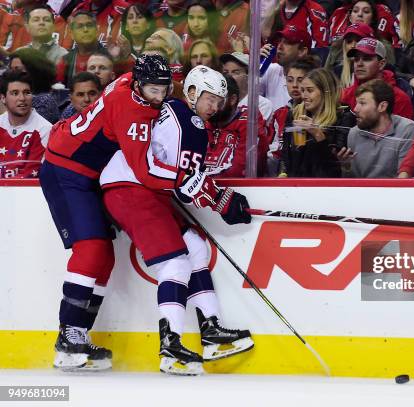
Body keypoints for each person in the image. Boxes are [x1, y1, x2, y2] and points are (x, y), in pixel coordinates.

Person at [100, 65, 253, 375]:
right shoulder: (185, 119)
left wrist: (215, 195)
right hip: (130, 189)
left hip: (143, 190)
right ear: (192, 92)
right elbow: (179, 182)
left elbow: (180, 181)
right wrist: (220, 200)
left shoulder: (184, 116)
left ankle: (211, 332)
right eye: (210, 98)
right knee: (175, 264)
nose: (214, 107)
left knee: (195, 249)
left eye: (220, 102)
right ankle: (170, 348)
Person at [38, 55, 179, 372]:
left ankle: (78, 335)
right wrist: (188, 182)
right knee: (92, 249)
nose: (159, 97)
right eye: (153, 90)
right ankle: (67, 337)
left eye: (164, 89)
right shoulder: (133, 112)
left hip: (85, 173)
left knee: (106, 256)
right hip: (65, 171)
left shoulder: (130, 80)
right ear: (140, 84)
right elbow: (145, 171)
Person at [280, 68, 354, 177]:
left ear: (326, 92)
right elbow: (286, 152)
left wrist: (317, 134)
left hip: (325, 185)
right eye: (303, 90)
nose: (304, 96)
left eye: (310, 91)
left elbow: (334, 162)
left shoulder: (344, 117)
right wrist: (283, 174)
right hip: (295, 184)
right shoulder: (295, 114)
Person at [339, 79, 414, 177]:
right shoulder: (354, 133)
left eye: (362, 103)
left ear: (382, 106)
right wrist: (346, 168)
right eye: (356, 103)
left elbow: (404, 179)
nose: (355, 109)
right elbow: (354, 183)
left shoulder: (407, 129)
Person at [204, 74, 268, 177]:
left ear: (232, 100)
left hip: (241, 190)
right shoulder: (204, 123)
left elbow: (239, 171)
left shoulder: (249, 121)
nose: (209, 106)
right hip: (204, 188)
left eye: (215, 99)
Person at [341, 37, 414, 119]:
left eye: (366, 59)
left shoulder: (399, 99)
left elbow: (404, 131)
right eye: (356, 59)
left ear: (381, 64)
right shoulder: (345, 95)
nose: (359, 64)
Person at [0, 70, 51, 178]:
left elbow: (32, 176)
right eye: (15, 93)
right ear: (3, 98)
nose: (22, 98)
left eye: (27, 92)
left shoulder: (45, 130)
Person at [8, 47, 60, 123]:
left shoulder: (45, 101)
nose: (12, 75)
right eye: (11, 70)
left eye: (18, 70)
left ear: (34, 71)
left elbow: (23, 129)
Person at [56, 11, 107, 86]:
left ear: (97, 30)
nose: (85, 30)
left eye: (89, 25)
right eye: (79, 26)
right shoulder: (65, 58)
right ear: (72, 34)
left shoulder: (109, 58)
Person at [220, 52, 274, 122]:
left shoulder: (261, 104)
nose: (229, 76)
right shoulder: (219, 102)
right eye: (226, 72)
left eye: (235, 72)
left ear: (249, 76)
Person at [325, 22, 375, 88]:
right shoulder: (337, 72)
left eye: (358, 40)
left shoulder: (384, 71)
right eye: (349, 42)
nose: (353, 46)